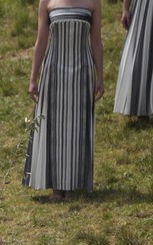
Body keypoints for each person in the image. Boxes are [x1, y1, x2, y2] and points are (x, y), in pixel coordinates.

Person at [23, 0, 103, 202]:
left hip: (82, 71)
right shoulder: (48, 2)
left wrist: (100, 76)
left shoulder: (93, 2)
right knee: (54, 128)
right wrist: (33, 78)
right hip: (54, 71)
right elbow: (41, 40)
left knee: (77, 128)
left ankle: (73, 187)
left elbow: (96, 41)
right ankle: (57, 188)